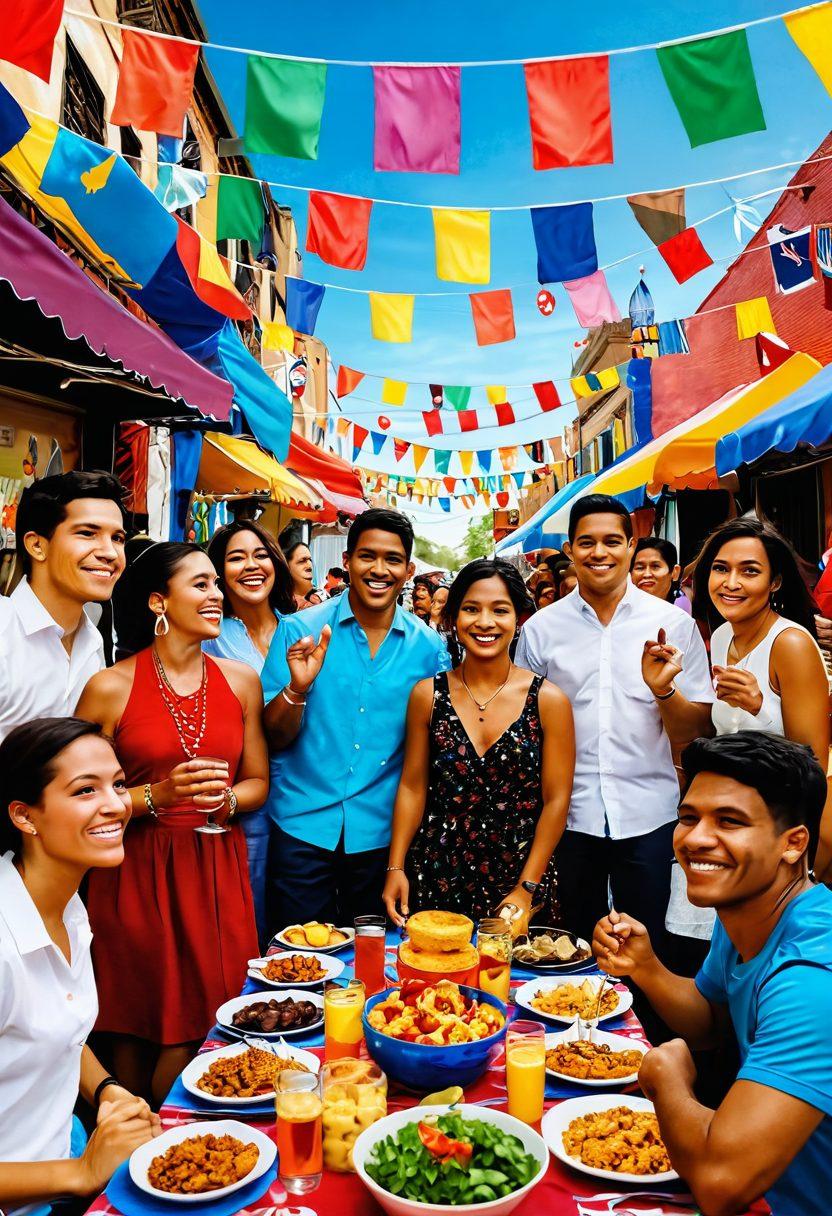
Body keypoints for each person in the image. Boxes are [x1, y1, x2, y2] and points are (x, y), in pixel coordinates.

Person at [593, 732, 832, 1216]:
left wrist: (667, 1078)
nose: (696, 838)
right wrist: (647, 967)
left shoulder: (812, 979)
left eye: (729, 821)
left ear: (793, 844)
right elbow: (711, 1021)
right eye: (688, 817)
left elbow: (720, 1185)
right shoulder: (747, 908)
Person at [77, 542, 268, 1106]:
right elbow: (78, 798)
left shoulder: (241, 682)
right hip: (135, 872)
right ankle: (131, 1146)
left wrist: (226, 802)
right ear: (159, 601)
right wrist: (154, 798)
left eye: (216, 584)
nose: (217, 595)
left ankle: (194, 1138)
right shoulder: (109, 687)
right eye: (201, 584)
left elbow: (258, 781)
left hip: (215, 870)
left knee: (212, 1027)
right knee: (134, 1029)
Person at [516, 494, 714, 950]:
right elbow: (528, 727)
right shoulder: (541, 630)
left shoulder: (672, 625)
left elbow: (698, 732)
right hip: (568, 818)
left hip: (650, 815)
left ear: (630, 546)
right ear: (570, 549)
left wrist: (663, 690)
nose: (599, 553)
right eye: (587, 542)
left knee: (647, 948)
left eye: (611, 541)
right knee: (568, 948)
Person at [0, 717, 160, 1211]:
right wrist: (81, 1172)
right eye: (85, 790)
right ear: (24, 816)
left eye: (118, 784)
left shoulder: (68, 904)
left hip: (63, 1145)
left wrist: (107, 1090)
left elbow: (58, 1027)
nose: (115, 804)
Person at [262, 509, 450, 926]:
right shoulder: (300, 631)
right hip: (300, 827)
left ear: (408, 570)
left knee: (374, 959)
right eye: (367, 556)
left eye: (392, 559)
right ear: (347, 562)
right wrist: (297, 689)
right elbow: (272, 736)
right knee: (298, 956)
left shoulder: (429, 650)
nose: (379, 569)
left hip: (383, 838)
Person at [666, 518, 830, 958]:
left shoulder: (790, 643)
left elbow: (812, 764)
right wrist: (664, 690)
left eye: (750, 571)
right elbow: (717, 732)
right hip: (730, 828)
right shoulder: (722, 637)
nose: (731, 583)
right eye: (721, 569)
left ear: (775, 581)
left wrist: (762, 708)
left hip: (776, 836)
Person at [383, 559, 575, 926]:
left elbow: (557, 801)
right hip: (437, 873)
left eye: (499, 610)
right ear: (454, 617)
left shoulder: (548, 700)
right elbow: (412, 787)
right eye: (471, 609)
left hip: (520, 879)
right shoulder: (428, 695)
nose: (485, 622)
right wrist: (396, 866)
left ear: (518, 619)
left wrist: (526, 888)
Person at [204, 520, 296, 943]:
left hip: (304, 794)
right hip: (241, 796)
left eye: (260, 555)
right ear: (218, 573)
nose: (251, 566)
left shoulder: (299, 628)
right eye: (236, 558)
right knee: (248, 912)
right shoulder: (208, 635)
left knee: (300, 917)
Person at [0, 471, 126, 742]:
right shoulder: (4, 632)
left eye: (117, 538)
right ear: (37, 545)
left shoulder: (91, 640)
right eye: (87, 533)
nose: (110, 553)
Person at [631, 537, 690, 612]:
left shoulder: (682, 611)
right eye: (640, 568)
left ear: (675, 572)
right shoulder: (620, 610)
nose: (647, 574)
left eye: (655, 567)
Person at [279, 528, 315, 610]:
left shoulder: (317, 598)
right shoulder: (276, 606)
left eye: (310, 560)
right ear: (286, 566)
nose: (310, 565)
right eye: (302, 561)